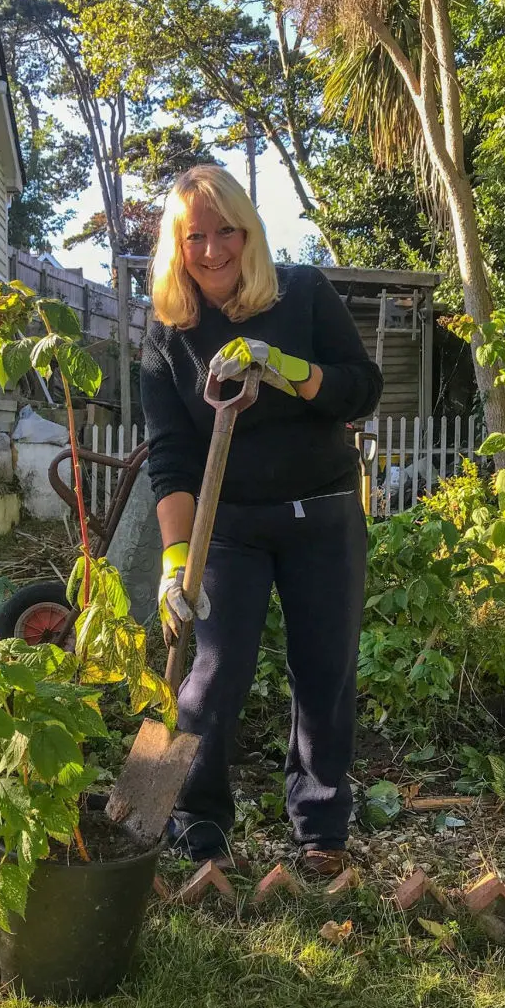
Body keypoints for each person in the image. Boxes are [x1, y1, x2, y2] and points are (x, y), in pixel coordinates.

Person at [140, 166, 383, 876]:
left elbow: (361, 389)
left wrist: (290, 370)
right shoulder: (169, 336)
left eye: (228, 232)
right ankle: (198, 823)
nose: (213, 250)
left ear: (250, 233)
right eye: (195, 237)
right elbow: (170, 458)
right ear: (176, 245)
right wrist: (174, 561)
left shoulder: (301, 293)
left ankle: (321, 829)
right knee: (213, 673)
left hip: (323, 514)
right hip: (229, 525)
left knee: (325, 670)